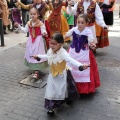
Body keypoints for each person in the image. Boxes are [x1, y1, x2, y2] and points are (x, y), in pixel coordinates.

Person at [32, 32, 89, 114]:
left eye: (54, 44)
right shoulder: (50, 50)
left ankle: (68, 99)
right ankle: (50, 107)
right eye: (50, 43)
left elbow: (71, 60)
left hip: (62, 75)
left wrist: (80, 65)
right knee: (51, 90)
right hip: (52, 75)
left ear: (61, 44)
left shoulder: (63, 53)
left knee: (64, 89)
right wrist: (38, 57)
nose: (51, 45)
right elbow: (47, 56)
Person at [64, 14, 100, 94]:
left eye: (82, 23)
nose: (80, 24)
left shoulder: (88, 31)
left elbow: (91, 41)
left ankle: (83, 89)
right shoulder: (74, 29)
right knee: (71, 67)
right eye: (78, 22)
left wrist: (92, 45)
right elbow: (66, 35)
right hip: (73, 52)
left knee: (84, 69)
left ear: (86, 23)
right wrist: (59, 38)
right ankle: (71, 85)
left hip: (84, 53)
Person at [14, 7, 48, 79]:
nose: (33, 16)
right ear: (30, 15)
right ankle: (34, 68)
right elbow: (24, 30)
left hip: (38, 42)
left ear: (37, 15)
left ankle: (36, 71)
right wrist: (19, 26)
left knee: (37, 54)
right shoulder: (29, 23)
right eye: (31, 14)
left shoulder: (40, 24)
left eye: (34, 14)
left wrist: (45, 33)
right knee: (31, 53)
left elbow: (43, 31)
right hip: (31, 42)